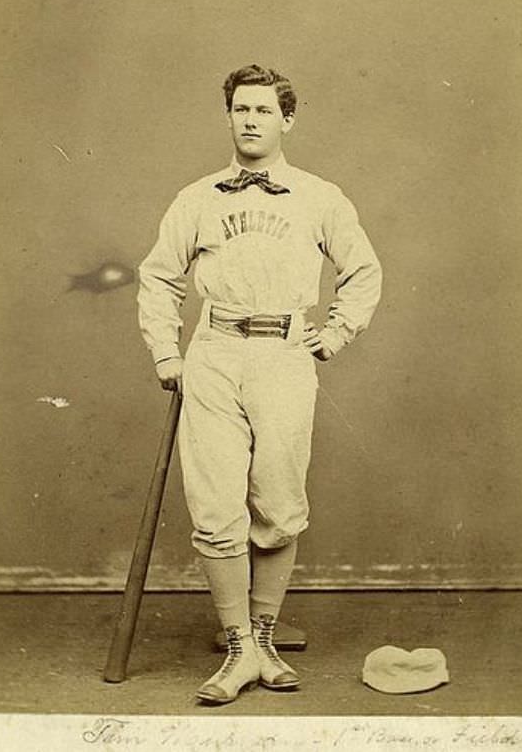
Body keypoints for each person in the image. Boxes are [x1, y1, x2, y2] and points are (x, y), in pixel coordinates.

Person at [137, 64, 382, 705]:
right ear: (229, 117)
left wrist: (332, 335)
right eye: (241, 110)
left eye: (264, 111)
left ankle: (265, 634)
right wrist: (168, 353)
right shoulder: (197, 197)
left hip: (284, 355)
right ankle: (239, 647)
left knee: (277, 506)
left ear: (287, 120)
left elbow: (362, 271)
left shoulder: (319, 195)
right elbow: (160, 276)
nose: (250, 120)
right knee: (217, 509)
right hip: (214, 353)